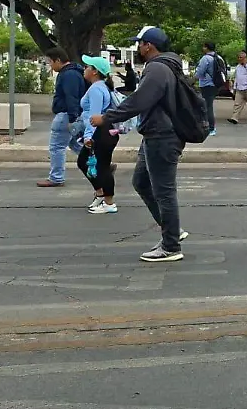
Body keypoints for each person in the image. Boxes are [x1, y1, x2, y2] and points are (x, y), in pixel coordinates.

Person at [93, 26, 190, 263]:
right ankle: (172, 230)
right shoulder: (166, 66)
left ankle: (171, 245)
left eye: (140, 43)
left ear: (149, 45)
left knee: (164, 191)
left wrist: (106, 117)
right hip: (156, 134)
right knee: (141, 182)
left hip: (162, 136)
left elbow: (139, 101)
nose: (138, 47)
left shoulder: (157, 68)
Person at [77, 56, 121, 214]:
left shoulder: (96, 89)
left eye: (87, 66)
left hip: (100, 132)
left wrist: (88, 136)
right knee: (95, 164)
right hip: (106, 131)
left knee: (97, 165)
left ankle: (108, 202)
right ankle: (102, 195)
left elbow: (94, 116)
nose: (84, 69)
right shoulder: (102, 86)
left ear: (95, 71)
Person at [38, 48, 87, 188]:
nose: (50, 66)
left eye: (50, 62)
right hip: (69, 115)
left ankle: (56, 177)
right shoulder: (75, 72)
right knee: (75, 144)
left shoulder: (68, 75)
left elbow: (71, 97)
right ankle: (101, 166)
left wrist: (73, 119)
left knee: (56, 147)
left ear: (58, 60)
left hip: (65, 115)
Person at [195, 42, 222, 136]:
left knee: (207, 106)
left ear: (206, 48)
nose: (203, 48)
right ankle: (210, 127)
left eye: (204, 46)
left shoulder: (205, 58)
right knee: (209, 105)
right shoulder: (218, 57)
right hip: (215, 84)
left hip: (206, 84)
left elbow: (199, 73)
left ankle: (211, 128)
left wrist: (192, 80)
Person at [228, 51, 247, 125]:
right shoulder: (238, 66)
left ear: (245, 58)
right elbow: (237, 77)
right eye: (238, 57)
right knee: (237, 104)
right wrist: (235, 88)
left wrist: (246, 65)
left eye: (241, 57)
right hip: (239, 88)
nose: (239, 59)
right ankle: (234, 118)